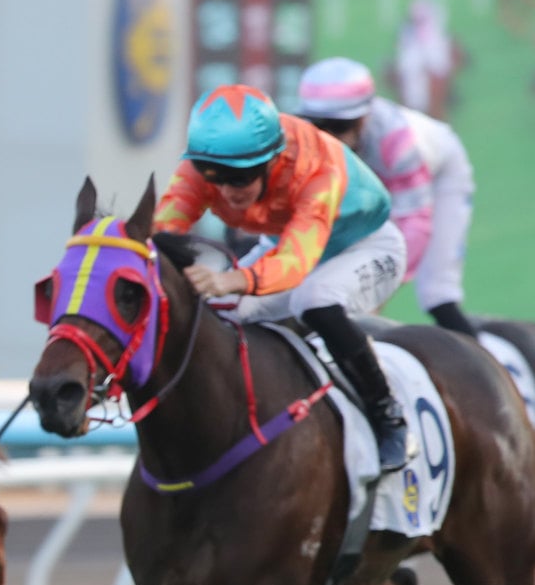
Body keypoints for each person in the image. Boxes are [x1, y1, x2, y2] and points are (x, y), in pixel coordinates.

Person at [154, 84, 411, 471]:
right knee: (222, 313)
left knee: (314, 299)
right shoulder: (203, 165)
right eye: (213, 175)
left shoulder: (316, 169)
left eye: (239, 177)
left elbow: (296, 263)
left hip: (365, 245)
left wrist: (233, 280)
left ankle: (387, 413)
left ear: (272, 161)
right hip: (286, 243)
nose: (225, 190)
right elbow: (160, 232)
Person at [296, 56, 479, 338]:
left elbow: (414, 228)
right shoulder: (300, 139)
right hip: (377, 183)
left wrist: (376, 294)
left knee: (437, 294)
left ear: (364, 117)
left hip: (439, 175)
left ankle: (491, 372)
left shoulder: (397, 143)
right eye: (320, 127)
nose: (330, 138)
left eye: (340, 127)